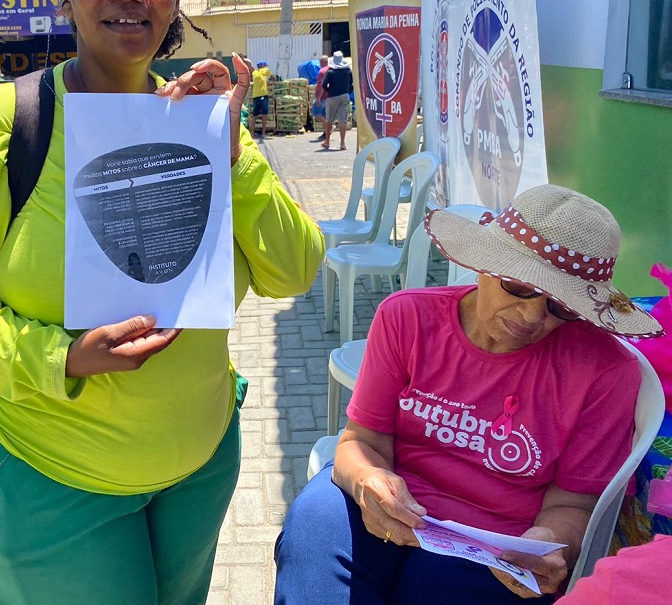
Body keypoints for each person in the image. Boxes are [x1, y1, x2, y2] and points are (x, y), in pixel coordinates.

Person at [0, 0, 324, 605]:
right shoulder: (8, 126)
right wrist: (60, 355)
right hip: (52, 479)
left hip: (198, 467)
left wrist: (231, 147)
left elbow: (293, 268)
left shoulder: (199, 121)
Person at [274, 184, 663, 605]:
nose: (532, 317)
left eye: (562, 307)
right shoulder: (407, 318)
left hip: (497, 546)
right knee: (315, 521)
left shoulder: (605, 371)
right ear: (484, 264)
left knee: (434, 587)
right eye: (518, 286)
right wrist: (368, 479)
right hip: (393, 501)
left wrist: (548, 544)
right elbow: (361, 442)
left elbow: (574, 503)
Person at [320, 50, 353, 150]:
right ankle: (342, 143)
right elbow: (351, 84)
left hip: (333, 96)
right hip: (345, 96)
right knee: (343, 120)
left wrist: (329, 90)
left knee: (329, 119)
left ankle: (327, 141)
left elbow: (324, 85)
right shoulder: (348, 70)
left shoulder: (330, 71)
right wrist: (347, 91)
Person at [251, 59, 273, 138]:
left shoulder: (254, 72)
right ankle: (263, 133)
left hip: (255, 96)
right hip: (263, 95)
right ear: (263, 66)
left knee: (254, 115)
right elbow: (272, 76)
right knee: (264, 114)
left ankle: (252, 133)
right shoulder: (265, 70)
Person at [313, 54, 329, 141]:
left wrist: (318, 97)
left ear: (322, 62)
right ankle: (326, 132)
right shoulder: (330, 69)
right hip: (329, 96)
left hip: (322, 96)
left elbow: (321, 85)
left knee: (317, 113)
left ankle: (329, 127)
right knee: (324, 114)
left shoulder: (322, 71)